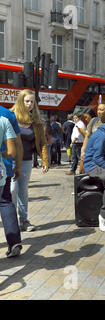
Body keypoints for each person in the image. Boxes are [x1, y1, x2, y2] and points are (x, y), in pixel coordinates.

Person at [11, 89, 49, 232]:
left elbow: (43, 143)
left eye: (32, 102)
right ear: (21, 102)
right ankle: (11, 220)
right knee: (13, 189)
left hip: (26, 161)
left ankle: (24, 221)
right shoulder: (11, 117)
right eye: (27, 101)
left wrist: (45, 161)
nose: (30, 104)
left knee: (23, 191)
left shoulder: (37, 122)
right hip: (10, 161)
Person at [0, 105, 23, 258]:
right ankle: (14, 242)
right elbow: (15, 149)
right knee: (5, 202)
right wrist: (18, 166)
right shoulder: (6, 117)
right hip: (3, 170)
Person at [79, 104, 105, 174]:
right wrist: (83, 151)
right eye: (98, 109)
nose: (99, 112)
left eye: (101, 110)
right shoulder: (93, 121)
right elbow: (87, 136)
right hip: (91, 154)